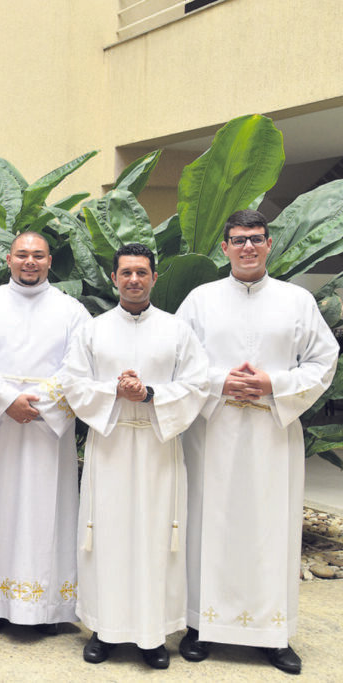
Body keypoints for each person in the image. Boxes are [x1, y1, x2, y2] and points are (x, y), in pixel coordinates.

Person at [176, 210, 338, 675]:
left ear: (269, 245)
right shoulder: (200, 301)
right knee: (210, 523)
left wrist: (274, 384)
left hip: (271, 434)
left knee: (272, 529)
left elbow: (323, 362)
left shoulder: (297, 301)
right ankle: (201, 625)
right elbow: (179, 362)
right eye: (238, 239)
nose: (247, 247)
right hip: (214, 433)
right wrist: (218, 381)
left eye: (256, 239)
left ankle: (273, 633)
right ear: (224, 247)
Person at [60, 243, 209, 670]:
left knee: (156, 538)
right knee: (106, 536)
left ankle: (153, 635)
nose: (133, 280)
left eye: (142, 272)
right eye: (125, 272)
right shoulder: (93, 329)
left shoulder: (177, 330)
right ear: (114, 278)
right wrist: (113, 390)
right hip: (111, 444)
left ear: (154, 278)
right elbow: (72, 382)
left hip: (158, 447)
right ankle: (104, 630)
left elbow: (198, 384)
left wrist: (150, 393)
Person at [0, 231, 90, 635]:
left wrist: (38, 403)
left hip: (46, 429)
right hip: (0, 426)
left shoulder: (72, 311)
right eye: (22, 255)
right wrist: (7, 399)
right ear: (8, 259)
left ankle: (46, 608)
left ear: (50, 261)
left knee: (47, 512)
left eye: (38, 256)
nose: (30, 262)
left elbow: (80, 365)